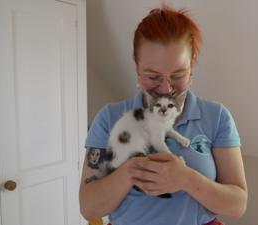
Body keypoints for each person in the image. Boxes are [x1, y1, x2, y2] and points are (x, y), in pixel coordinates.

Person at [79, 5, 247, 225]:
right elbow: (89, 207)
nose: (166, 89)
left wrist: (186, 179)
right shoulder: (110, 118)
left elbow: (237, 205)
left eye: (178, 75)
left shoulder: (217, 117)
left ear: (192, 62)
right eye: (153, 76)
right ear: (136, 64)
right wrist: (130, 170)